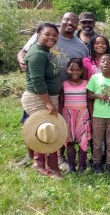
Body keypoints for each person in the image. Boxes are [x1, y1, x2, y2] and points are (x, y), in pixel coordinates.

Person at [17, 12, 89, 170]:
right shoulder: (46, 34)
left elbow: (85, 67)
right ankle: (33, 158)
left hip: (65, 92)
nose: (70, 23)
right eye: (67, 19)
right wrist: (22, 60)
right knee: (33, 123)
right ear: (61, 21)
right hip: (40, 92)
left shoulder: (81, 46)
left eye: (74, 21)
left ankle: (57, 158)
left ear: (77, 25)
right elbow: (23, 52)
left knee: (59, 126)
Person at [21, 22, 62, 179]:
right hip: (39, 98)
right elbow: (37, 81)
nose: (51, 37)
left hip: (48, 97)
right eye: (47, 34)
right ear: (38, 34)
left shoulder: (45, 51)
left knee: (48, 129)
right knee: (46, 130)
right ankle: (46, 167)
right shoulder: (37, 54)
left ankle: (45, 165)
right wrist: (48, 103)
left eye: (54, 35)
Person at [86, 54, 110, 174]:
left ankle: (109, 164)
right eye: (103, 61)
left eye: (109, 62)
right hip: (98, 115)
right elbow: (89, 95)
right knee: (97, 141)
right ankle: (97, 163)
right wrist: (98, 96)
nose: (106, 64)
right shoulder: (95, 78)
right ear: (99, 64)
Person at [59, 58, 91, 174]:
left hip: (83, 114)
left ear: (82, 71)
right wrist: (59, 117)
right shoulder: (64, 84)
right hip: (68, 115)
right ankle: (72, 166)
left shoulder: (86, 84)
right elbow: (61, 101)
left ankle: (82, 166)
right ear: (67, 70)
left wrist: (90, 117)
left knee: (83, 140)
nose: (75, 72)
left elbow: (89, 100)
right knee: (70, 142)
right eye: (71, 69)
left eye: (78, 70)